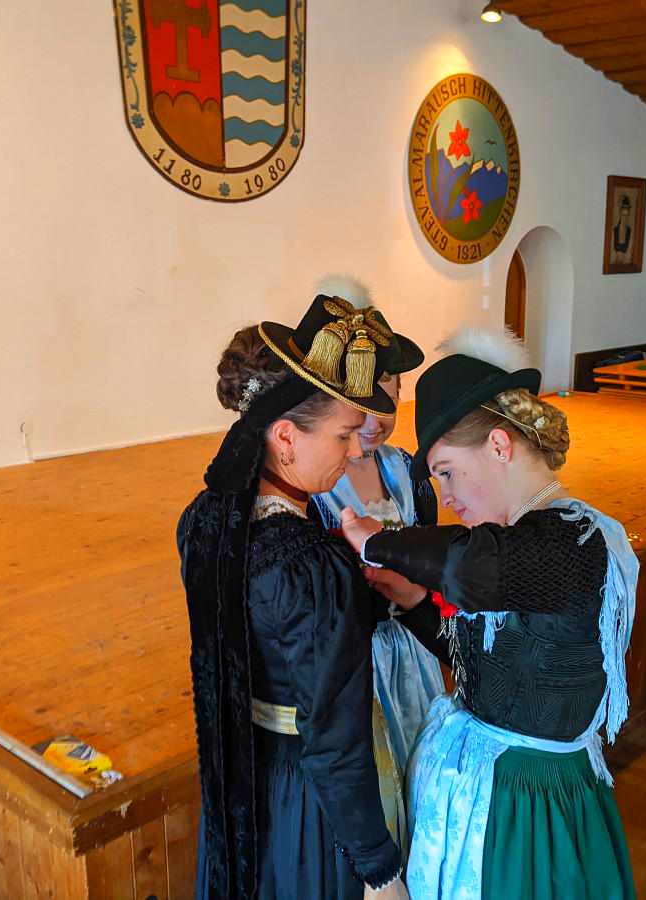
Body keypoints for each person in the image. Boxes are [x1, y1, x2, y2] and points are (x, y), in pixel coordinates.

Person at [340, 326, 639, 900]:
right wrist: (414, 603)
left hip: (529, 805)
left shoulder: (576, 540)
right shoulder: (521, 541)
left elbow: (467, 564)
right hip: (484, 788)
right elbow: (484, 662)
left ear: (500, 446)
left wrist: (377, 539)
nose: (447, 496)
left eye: (448, 471)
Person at [177, 290, 411, 899]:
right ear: (285, 437)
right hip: (308, 803)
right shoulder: (309, 566)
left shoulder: (204, 520)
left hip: (241, 780)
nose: (356, 450)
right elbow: (333, 743)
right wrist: (380, 868)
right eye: (343, 435)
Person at [307, 277, 444, 839]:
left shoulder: (406, 469)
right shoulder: (318, 485)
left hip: (412, 649)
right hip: (356, 660)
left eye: (390, 392)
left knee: (423, 774)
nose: (376, 414)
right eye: (363, 397)